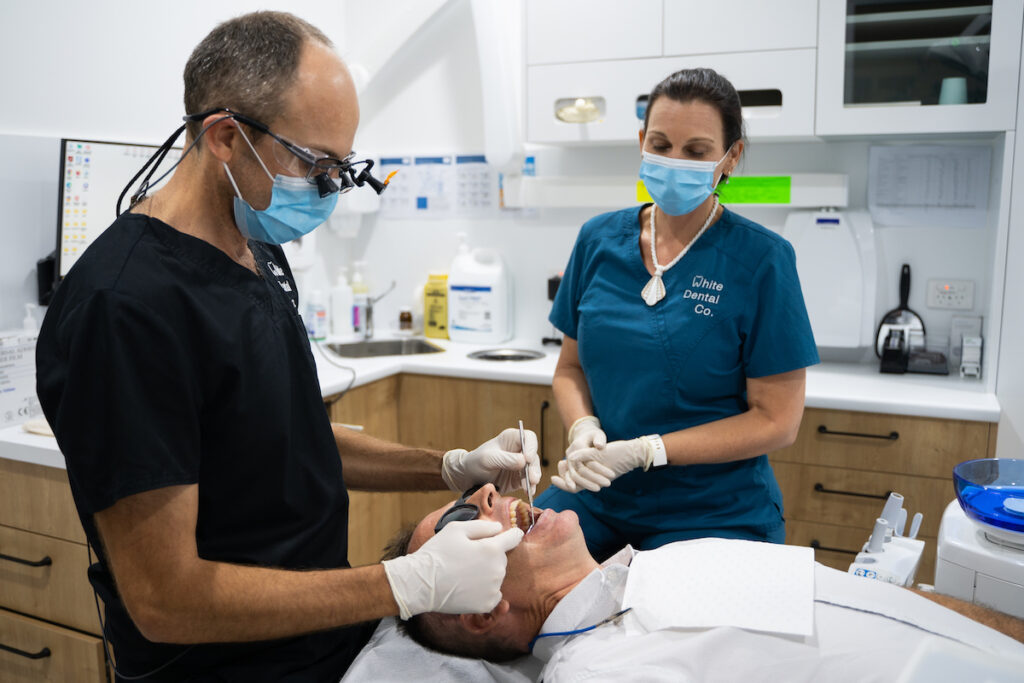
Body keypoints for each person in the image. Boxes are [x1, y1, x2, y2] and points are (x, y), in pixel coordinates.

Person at [35, 12, 538, 682]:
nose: (329, 185)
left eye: (341, 165)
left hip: (316, 645)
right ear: (225, 137)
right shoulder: (128, 308)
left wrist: (449, 465)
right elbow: (164, 598)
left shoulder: (257, 250)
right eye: (315, 162)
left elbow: (285, 437)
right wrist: (404, 584)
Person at [534, 67, 820, 559]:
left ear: (731, 158)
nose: (674, 161)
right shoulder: (598, 241)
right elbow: (570, 368)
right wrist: (582, 429)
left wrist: (650, 450)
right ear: (641, 140)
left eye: (697, 151)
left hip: (714, 509)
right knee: (508, 587)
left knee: (662, 627)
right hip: (601, 497)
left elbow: (777, 422)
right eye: (661, 144)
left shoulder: (762, 260)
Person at [371, 487, 1024, 682]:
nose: (488, 491)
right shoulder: (599, 670)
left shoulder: (674, 559)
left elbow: (888, 605)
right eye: (464, 520)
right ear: (480, 611)